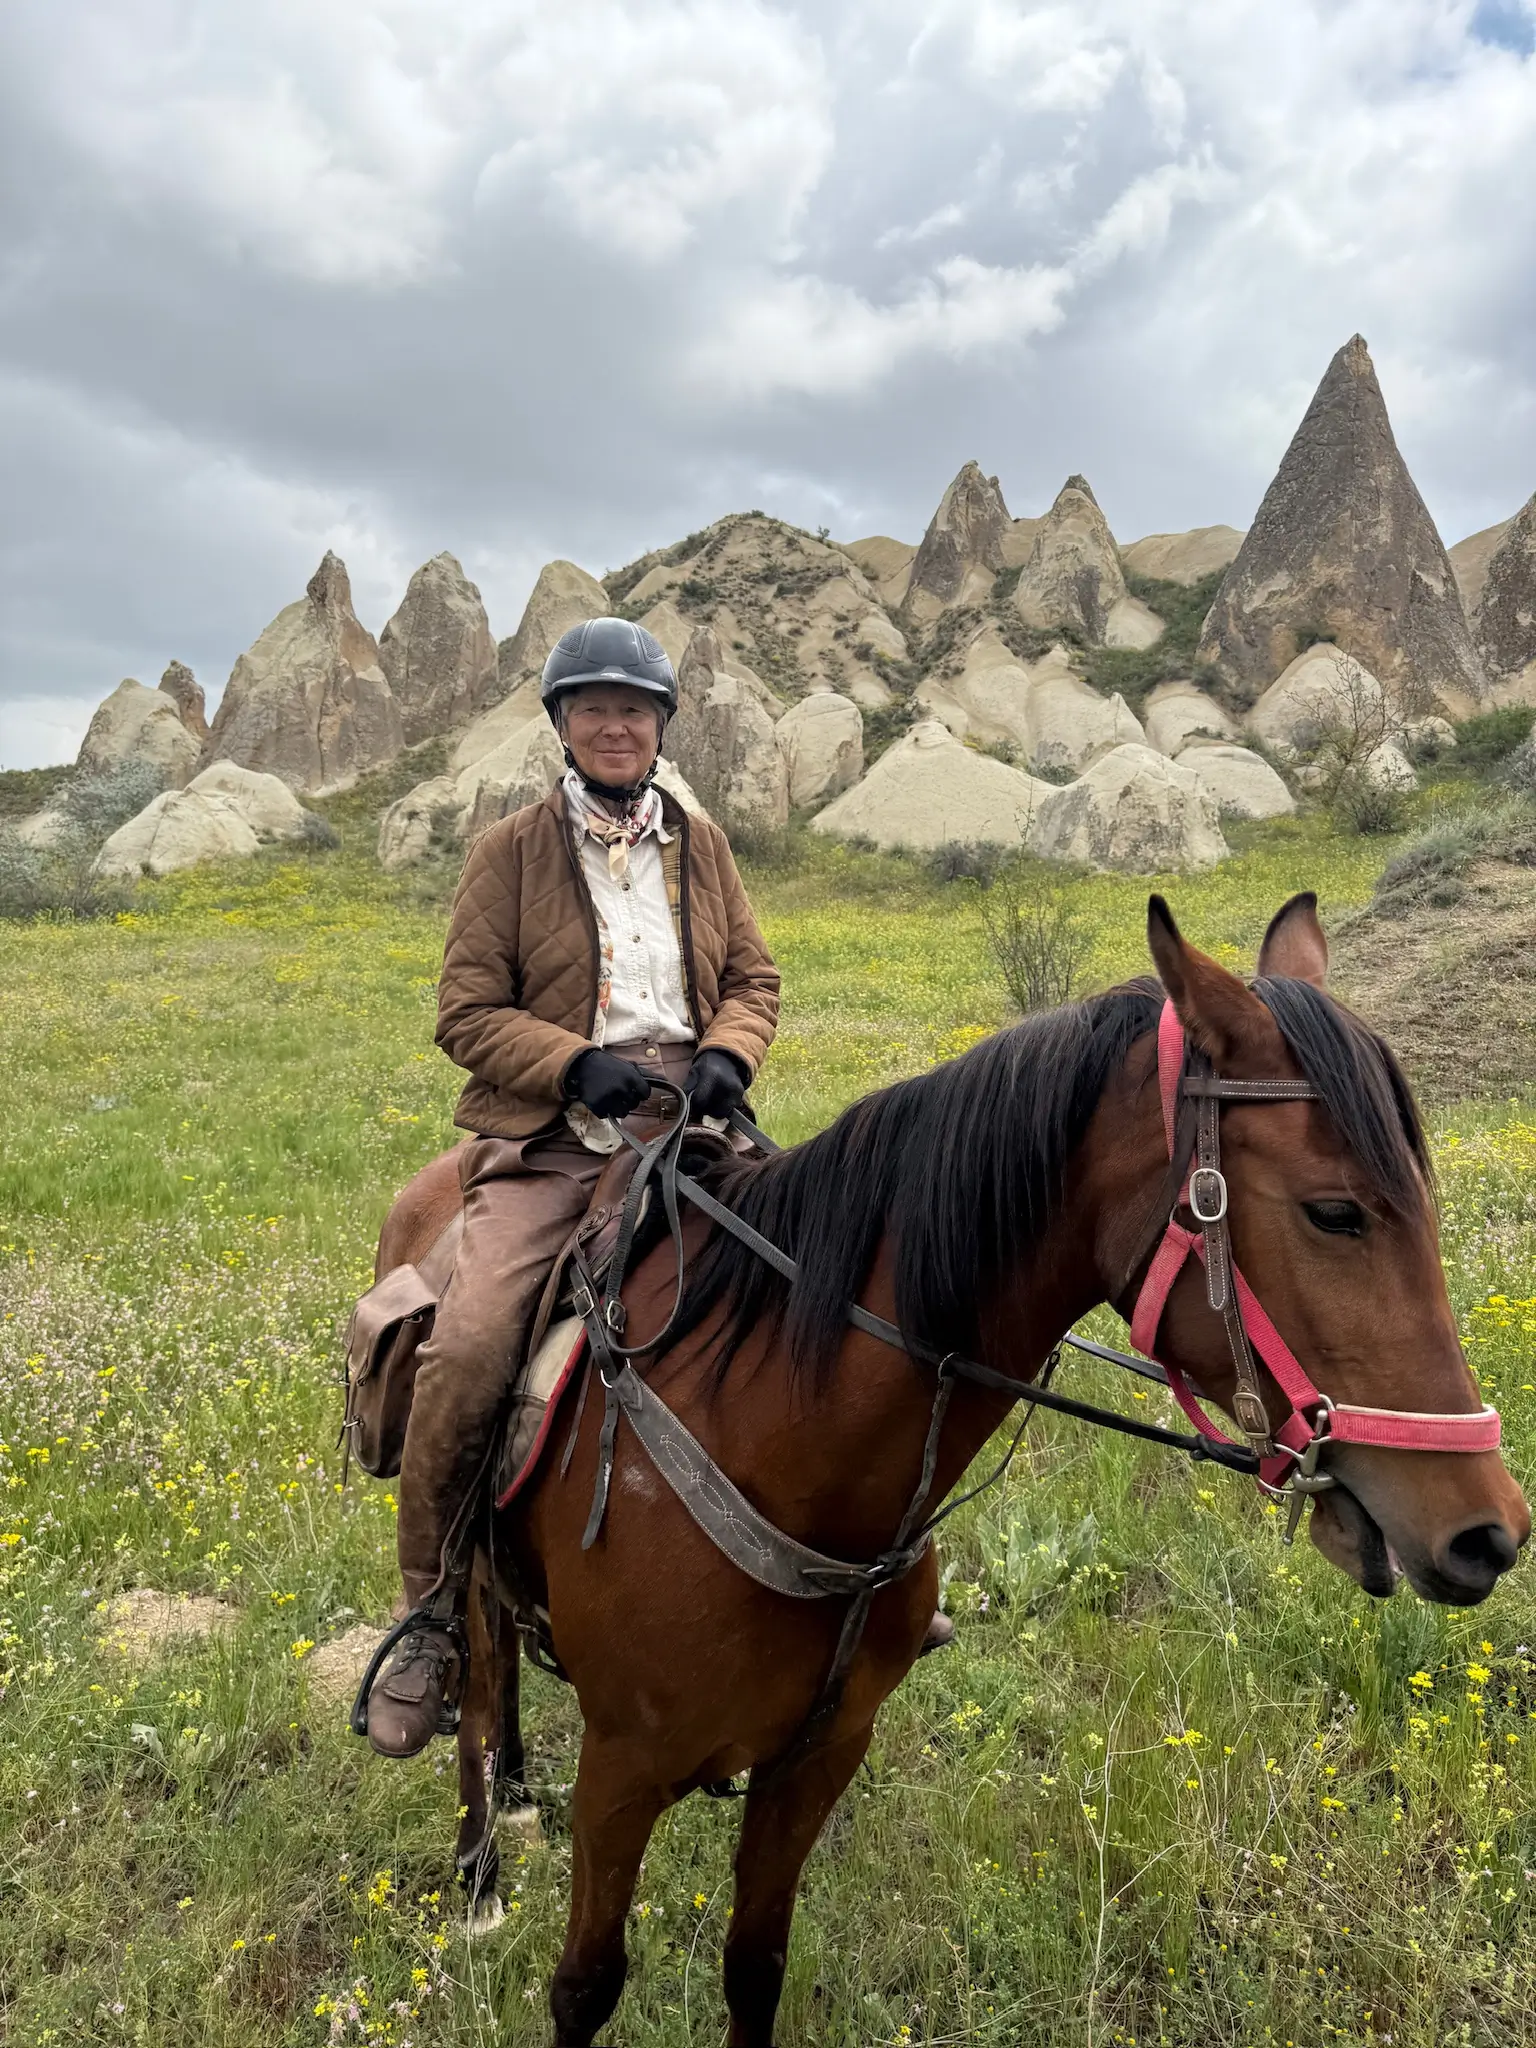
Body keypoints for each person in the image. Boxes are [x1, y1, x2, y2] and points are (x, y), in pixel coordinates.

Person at [366, 616, 780, 1757]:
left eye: (635, 708)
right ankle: (429, 1617)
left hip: (691, 1123)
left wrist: (726, 1057)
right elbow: (464, 1010)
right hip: (556, 1139)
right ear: (561, 723)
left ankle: (850, 1575)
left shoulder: (704, 841)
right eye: (593, 706)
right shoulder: (506, 850)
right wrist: (570, 1062)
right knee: (470, 1344)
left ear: (660, 727)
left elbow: (752, 974)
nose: (615, 723)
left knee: (828, 1276)